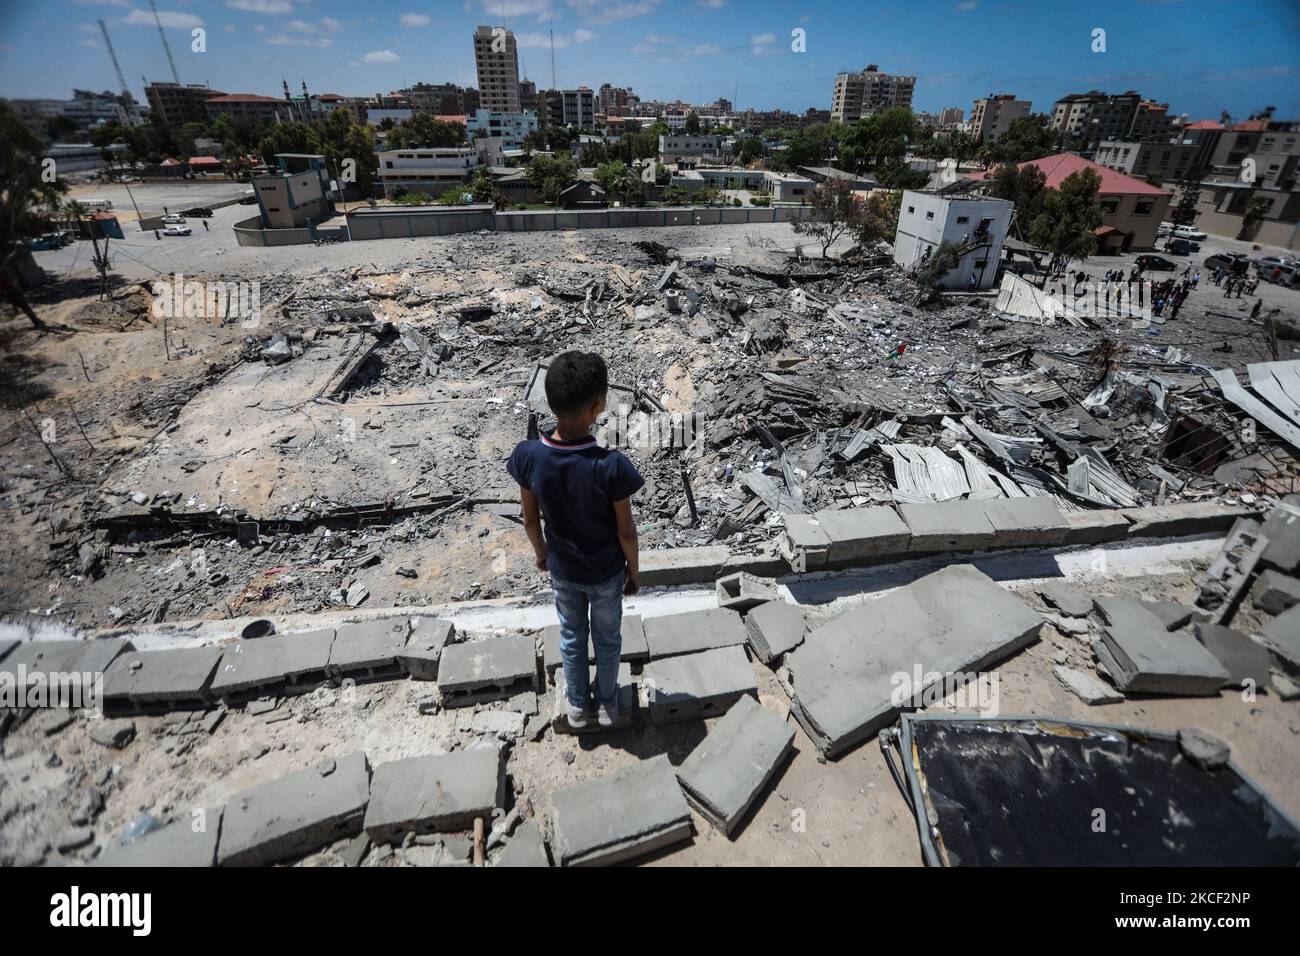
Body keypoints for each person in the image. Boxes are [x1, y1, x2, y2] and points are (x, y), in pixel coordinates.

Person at [507, 352, 644, 730]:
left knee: (571, 636)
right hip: (605, 574)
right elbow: (626, 531)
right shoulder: (611, 466)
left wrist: (542, 555)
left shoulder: (530, 456)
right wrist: (634, 571)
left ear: (550, 401)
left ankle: (578, 708)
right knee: (608, 639)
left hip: (563, 570)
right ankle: (608, 704)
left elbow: (530, 519)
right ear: (598, 406)